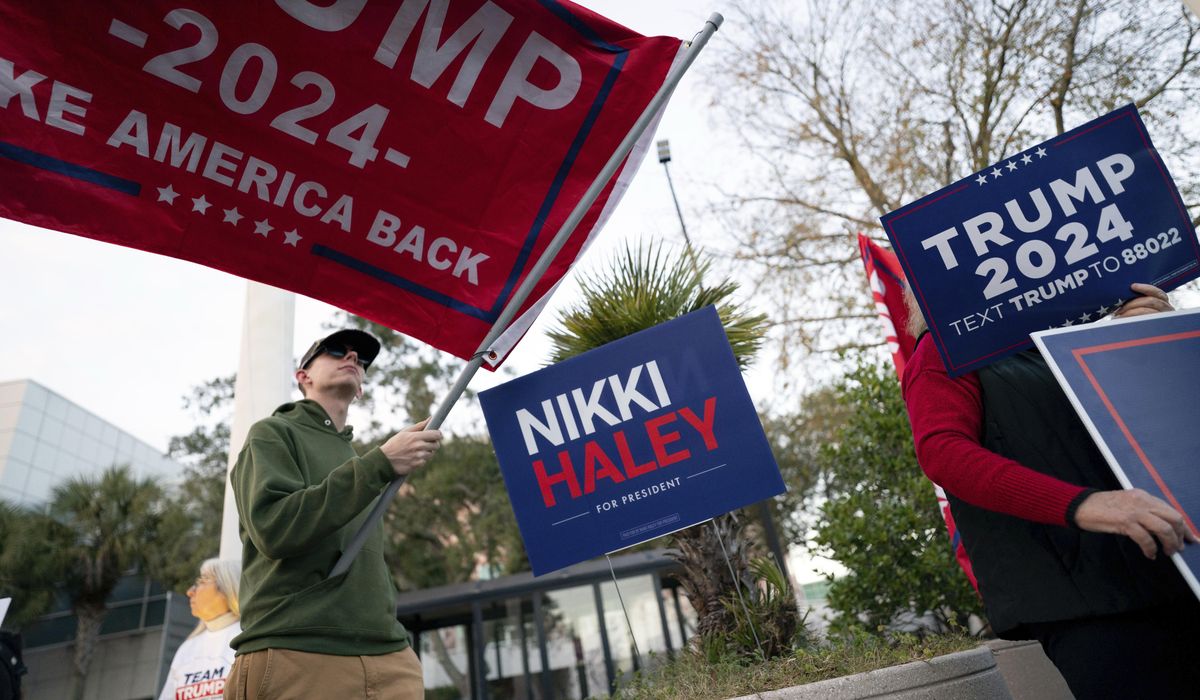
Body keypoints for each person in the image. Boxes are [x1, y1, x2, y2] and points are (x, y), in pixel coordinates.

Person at [902, 282, 1200, 699]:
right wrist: (1087, 505)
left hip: (1176, 567)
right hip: (1087, 603)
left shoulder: (1066, 338)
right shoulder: (941, 353)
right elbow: (944, 453)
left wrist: (1147, 340)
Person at [225, 329, 442, 700]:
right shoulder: (272, 434)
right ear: (303, 376)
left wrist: (378, 465)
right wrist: (381, 464)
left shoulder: (357, 459)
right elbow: (275, 529)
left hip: (391, 655)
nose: (352, 358)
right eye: (336, 350)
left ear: (361, 388)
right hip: (298, 650)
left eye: (360, 359)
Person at [158, 558, 242, 700]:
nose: (190, 591)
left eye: (202, 581)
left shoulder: (247, 639)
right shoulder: (187, 648)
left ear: (228, 587)